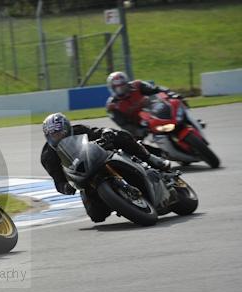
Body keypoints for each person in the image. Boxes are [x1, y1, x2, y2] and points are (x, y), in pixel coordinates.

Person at [40, 113, 170, 223]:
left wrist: (105, 132)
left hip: (100, 157)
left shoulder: (79, 130)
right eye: (53, 135)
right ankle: (120, 202)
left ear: (67, 129)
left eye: (60, 133)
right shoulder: (48, 157)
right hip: (84, 178)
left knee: (120, 135)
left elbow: (97, 131)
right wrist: (66, 187)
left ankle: (150, 158)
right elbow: (58, 181)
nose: (57, 137)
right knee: (97, 217)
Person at [106, 71, 187, 139]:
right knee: (136, 146)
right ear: (112, 88)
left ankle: (193, 122)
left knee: (177, 103)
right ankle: (160, 155)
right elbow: (124, 124)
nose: (121, 90)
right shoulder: (113, 106)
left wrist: (170, 93)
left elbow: (156, 89)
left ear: (127, 83)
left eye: (123, 86)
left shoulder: (137, 85)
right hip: (140, 126)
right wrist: (138, 131)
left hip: (156, 112)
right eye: (118, 88)